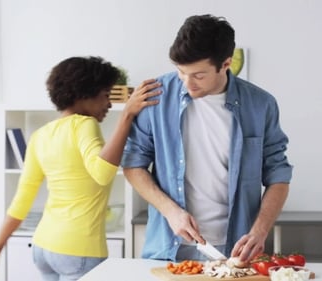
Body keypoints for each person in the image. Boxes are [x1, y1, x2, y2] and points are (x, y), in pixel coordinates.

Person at [121, 14, 292, 264]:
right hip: (169, 247)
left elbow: (278, 175)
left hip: (235, 249)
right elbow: (133, 164)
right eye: (181, 72)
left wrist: (260, 230)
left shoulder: (261, 104)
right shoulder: (155, 96)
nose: (187, 83)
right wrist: (171, 212)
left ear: (226, 64)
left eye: (198, 75)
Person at [0, 56, 161, 281]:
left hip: (43, 247)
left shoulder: (40, 135)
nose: (109, 104)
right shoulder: (84, 124)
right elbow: (102, 173)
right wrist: (127, 115)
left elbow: (20, 203)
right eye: (105, 96)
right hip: (78, 250)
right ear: (84, 94)